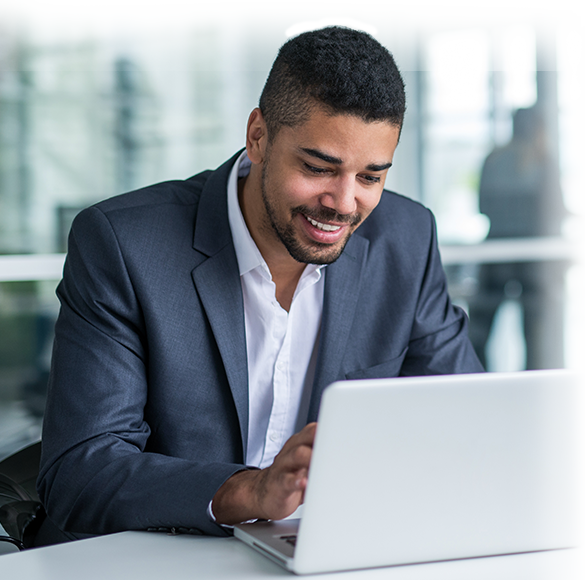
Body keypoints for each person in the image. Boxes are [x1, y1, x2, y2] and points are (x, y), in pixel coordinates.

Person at [36, 26, 482, 543]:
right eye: (318, 168)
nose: (342, 203)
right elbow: (79, 472)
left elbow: (465, 422)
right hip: (151, 555)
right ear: (258, 137)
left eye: (371, 177)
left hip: (325, 551)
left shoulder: (406, 238)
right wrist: (249, 491)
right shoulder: (124, 245)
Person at [468, 107, 569, 370]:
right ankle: (535, 388)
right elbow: (556, 209)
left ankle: (477, 379)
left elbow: (482, 207)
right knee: (535, 329)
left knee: (482, 325)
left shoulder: (493, 158)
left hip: (495, 250)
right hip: (534, 257)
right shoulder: (542, 159)